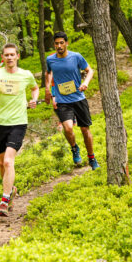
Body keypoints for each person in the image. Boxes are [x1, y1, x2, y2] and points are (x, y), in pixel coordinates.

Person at [0, 43, 39, 217]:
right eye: (6, 55)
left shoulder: (26, 75)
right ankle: (10, 190)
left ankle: (4, 201)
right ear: (2, 57)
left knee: (9, 161)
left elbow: (35, 88)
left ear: (18, 56)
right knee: (1, 162)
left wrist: (34, 100)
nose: (10, 58)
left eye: (12, 55)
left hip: (18, 122)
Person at [44, 31, 100, 170]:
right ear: (54, 45)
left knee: (85, 130)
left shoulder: (76, 57)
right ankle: (74, 148)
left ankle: (91, 158)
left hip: (78, 98)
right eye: (56, 43)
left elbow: (90, 70)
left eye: (61, 43)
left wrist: (85, 82)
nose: (59, 46)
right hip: (63, 101)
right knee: (68, 128)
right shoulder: (50, 59)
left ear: (66, 43)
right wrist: (49, 91)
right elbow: (48, 73)